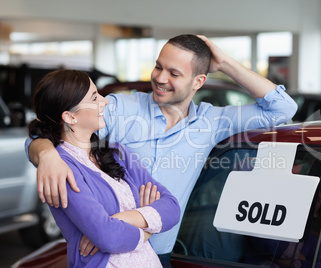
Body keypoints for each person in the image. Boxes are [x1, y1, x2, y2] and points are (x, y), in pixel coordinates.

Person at [26, 34, 298, 266]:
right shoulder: (121, 109)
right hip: (107, 255)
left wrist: (225, 62)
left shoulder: (212, 122)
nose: (159, 78)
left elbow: (282, 108)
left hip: (160, 256)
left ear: (198, 81)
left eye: (174, 73)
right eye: (158, 66)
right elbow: (52, 127)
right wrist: (46, 155)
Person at [27, 69, 180, 267]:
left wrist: (119, 219)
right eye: (94, 97)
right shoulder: (61, 168)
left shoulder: (118, 152)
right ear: (70, 117)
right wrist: (149, 227)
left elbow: (172, 208)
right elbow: (108, 237)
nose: (104, 101)